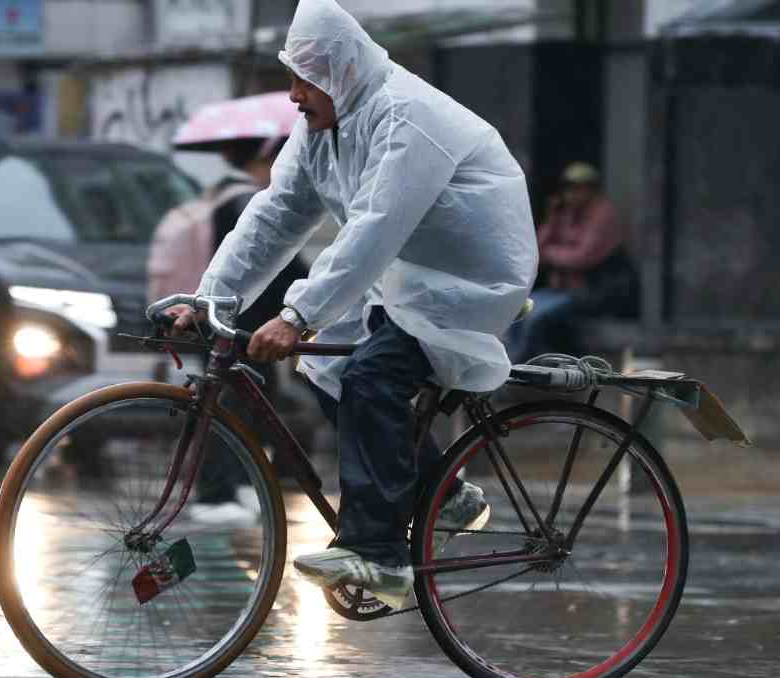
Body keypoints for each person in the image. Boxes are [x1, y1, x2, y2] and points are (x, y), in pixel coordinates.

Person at [169, 0, 537, 608]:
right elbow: (275, 216)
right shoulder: (324, 127)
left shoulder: (407, 117)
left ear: (340, 72)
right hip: (402, 276)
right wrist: (209, 300)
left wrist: (296, 315)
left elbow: (375, 227)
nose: (292, 95)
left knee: (370, 375)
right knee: (326, 368)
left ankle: (379, 554)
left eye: (302, 79)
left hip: (470, 279)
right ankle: (442, 494)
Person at [149, 136, 308, 524]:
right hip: (244, 325)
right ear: (266, 159)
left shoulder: (217, 196)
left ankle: (237, 486)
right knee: (230, 408)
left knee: (239, 406)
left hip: (222, 320)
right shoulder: (246, 202)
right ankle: (218, 494)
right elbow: (271, 263)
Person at [507, 162, 639, 363]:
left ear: (592, 189)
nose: (572, 193)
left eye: (578, 188)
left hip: (591, 291)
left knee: (536, 317)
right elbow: (535, 253)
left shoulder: (602, 214)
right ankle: (521, 363)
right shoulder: (565, 213)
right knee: (519, 311)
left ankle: (521, 365)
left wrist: (552, 254)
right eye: (568, 187)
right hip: (560, 290)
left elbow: (582, 258)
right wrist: (551, 220)